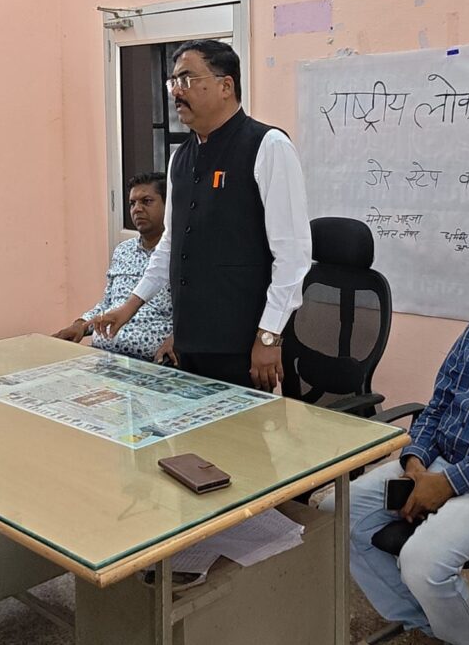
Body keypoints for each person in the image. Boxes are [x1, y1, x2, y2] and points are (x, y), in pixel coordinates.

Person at [91, 39, 312, 390]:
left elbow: (293, 256)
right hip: (189, 340)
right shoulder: (180, 158)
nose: (177, 92)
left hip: (243, 344)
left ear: (226, 86)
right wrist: (130, 306)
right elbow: (170, 244)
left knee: (242, 427)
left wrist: (269, 336)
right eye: (173, 82)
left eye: (187, 79)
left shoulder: (268, 147)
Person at [323, 304, 469, 645]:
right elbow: (436, 407)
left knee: (423, 561)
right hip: (435, 463)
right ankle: (430, 627)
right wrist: (414, 460)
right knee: (335, 513)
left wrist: (449, 482)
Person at [54, 172, 174, 363]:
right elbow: (109, 303)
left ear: (168, 207)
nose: (137, 209)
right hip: (103, 357)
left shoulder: (180, 256)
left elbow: (197, 312)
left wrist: (177, 340)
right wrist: (80, 325)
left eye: (146, 201)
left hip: (151, 362)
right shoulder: (123, 251)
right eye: (132, 203)